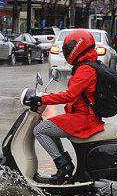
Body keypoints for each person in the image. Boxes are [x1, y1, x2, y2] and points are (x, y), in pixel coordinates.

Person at [23, 29, 105, 184]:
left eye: (70, 48)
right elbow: (73, 93)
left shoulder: (85, 69)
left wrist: (42, 99)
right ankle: (65, 166)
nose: (68, 51)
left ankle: (64, 167)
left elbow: (70, 95)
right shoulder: (88, 65)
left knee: (39, 130)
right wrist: (46, 97)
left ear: (79, 47)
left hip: (83, 119)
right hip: (84, 116)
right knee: (50, 127)